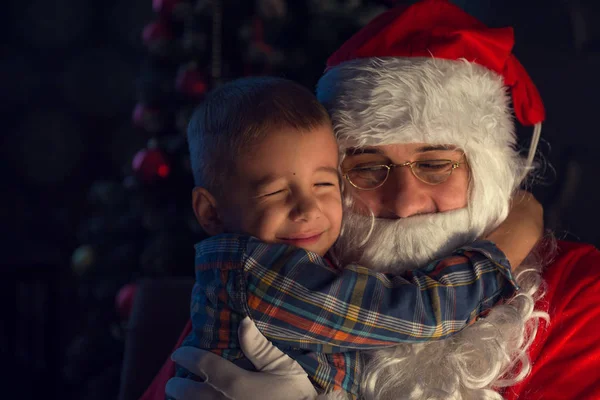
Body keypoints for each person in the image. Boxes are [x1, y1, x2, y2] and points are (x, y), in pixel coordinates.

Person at [145, 1, 600, 399]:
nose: (402, 203)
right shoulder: (289, 264)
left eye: (435, 164)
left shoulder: (582, 293)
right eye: (365, 168)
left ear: (487, 171)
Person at [169, 76, 541, 399]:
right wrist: (505, 247)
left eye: (324, 184)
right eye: (367, 167)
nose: (307, 209)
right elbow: (420, 311)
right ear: (210, 212)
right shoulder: (266, 274)